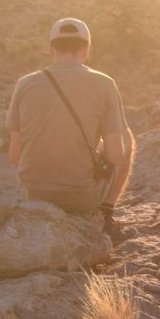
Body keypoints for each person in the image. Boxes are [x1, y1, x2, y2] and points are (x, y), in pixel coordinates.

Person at [7, 17, 135, 226]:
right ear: (86, 51)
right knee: (126, 138)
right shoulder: (104, 84)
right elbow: (115, 154)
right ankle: (106, 213)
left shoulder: (25, 84)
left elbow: (15, 157)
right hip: (81, 197)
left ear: (52, 49)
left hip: (34, 194)